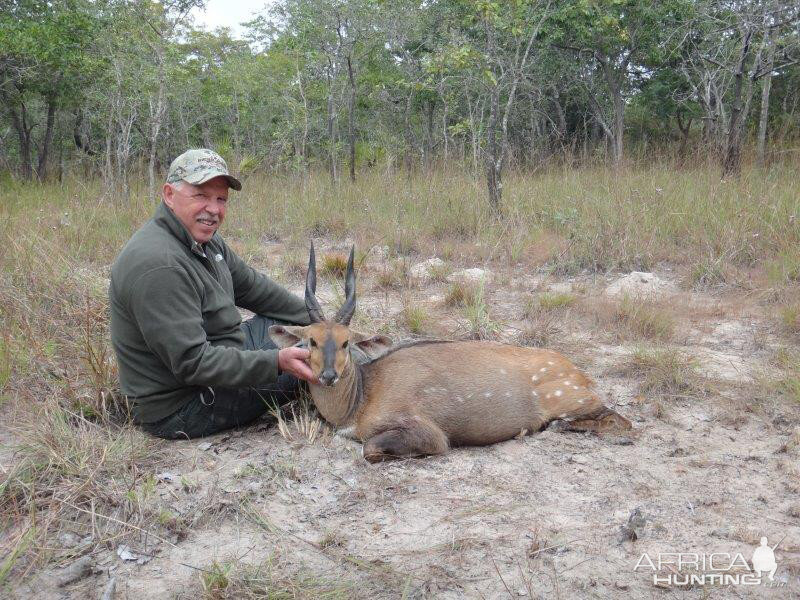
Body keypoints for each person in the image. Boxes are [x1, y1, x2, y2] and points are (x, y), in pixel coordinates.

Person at [109, 148, 316, 439]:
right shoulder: (160, 265)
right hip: (184, 408)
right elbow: (193, 363)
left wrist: (321, 323)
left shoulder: (203, 240)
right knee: (320, 361)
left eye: (221, 199)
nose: (213, 209)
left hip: (221, 359)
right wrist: (276, 363)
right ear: (169, 194)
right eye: (201, 196)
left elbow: (255, 289)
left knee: (310, 336)